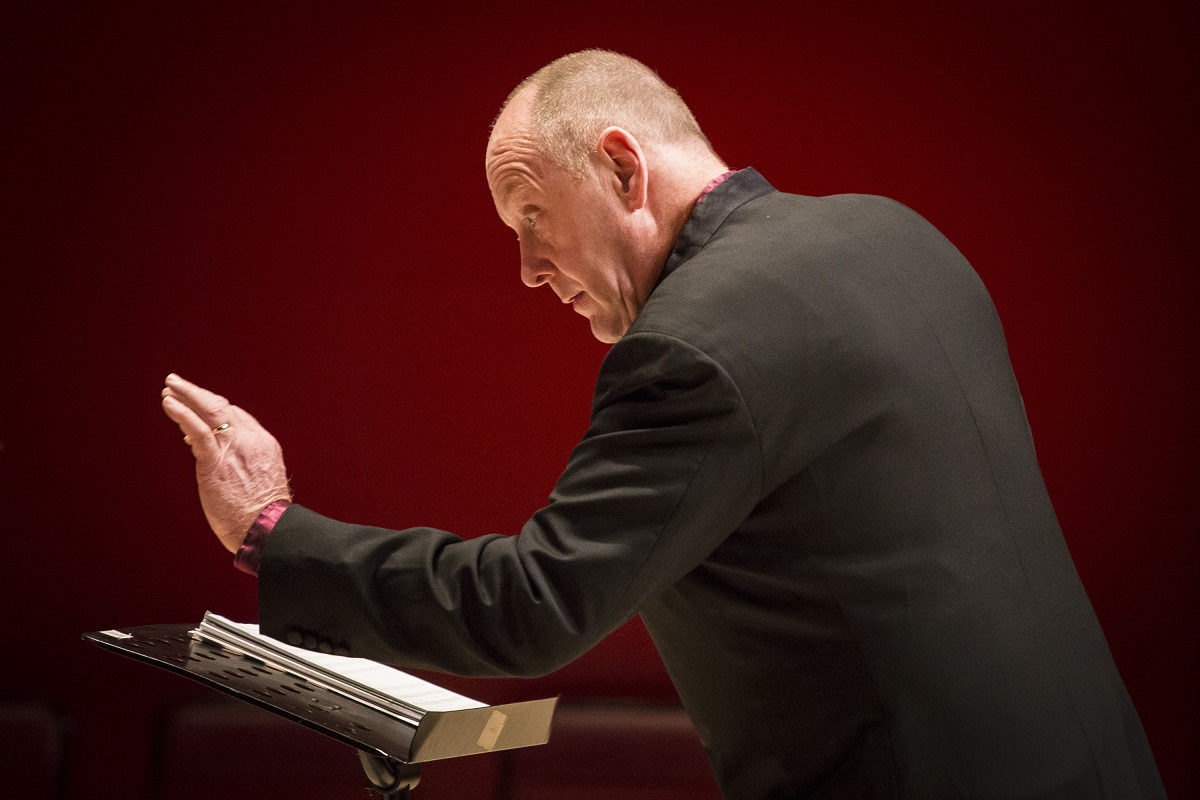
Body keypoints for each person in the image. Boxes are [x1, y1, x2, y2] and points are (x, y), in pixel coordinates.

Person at [162, 50, 1165, 798]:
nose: (525, 269)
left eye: (530, 218)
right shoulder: (900, 235)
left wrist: (271, 529)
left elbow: (533, 602)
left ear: (622, 168)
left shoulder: (694, 345)